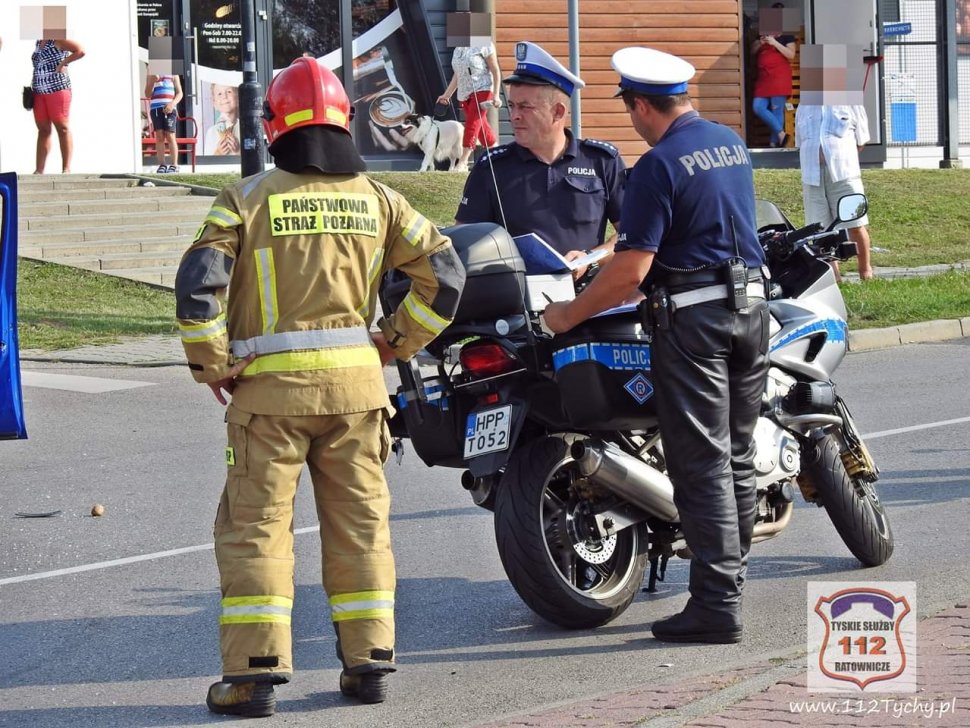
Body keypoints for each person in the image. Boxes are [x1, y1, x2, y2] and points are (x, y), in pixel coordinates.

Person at [175, 57, 465, 717]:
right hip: (358, 397)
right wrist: (395, 341)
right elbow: (445, 276)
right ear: (346, 122)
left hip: (267, 402)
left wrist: (211, 362)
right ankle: (368, 667)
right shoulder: (380, 200)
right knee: (361, 527)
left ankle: (252, 677)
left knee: (257, 531)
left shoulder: (245, 199)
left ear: (274, 124)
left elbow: (199, 287)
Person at [544, 47, 769, 645]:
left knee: (702, 466)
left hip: (696, 327)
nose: (632, 119)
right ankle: (730, 582)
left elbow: (630, 274)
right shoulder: (727, 142)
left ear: (642, 105)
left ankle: (717, 606)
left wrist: (567, 315)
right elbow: (689, 224)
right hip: (750, 311)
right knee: (736, 455)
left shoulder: (657, 165)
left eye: (630, 108)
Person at [455, 41, 625, 274]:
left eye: (525, 107)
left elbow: (630, 234)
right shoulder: (492, 167)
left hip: (587, 301)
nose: (514, 116)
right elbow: (463, 242)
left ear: (558, 112)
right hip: (517, 300)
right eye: (512, 105)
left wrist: (591, 258)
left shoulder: (602, 161)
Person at [795, 103, 874, 279]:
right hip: (812, 175)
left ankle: (865, 272)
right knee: (820, 231)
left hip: (844, 174)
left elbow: (861, 141)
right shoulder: (804, 105)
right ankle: (834, 276)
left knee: (855, 223)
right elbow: (800, 142)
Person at [436, 43, 503, 170]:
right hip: (465, 94)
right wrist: (446, 95)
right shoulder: (458, 49)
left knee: (472, 123)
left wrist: (496, 94)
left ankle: (463, 161)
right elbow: (458, 75)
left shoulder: (485, 44)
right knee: (481, 127)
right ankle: (497, 157)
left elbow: (495, 70)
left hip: (483, 90)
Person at [31, 38, 85, 174]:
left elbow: (80, 50)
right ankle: (39, 170)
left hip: (57, 88)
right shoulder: (38, 42)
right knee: (43, 130)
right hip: (39, 90)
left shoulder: (58, 39)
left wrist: (63, 63)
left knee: (62, 127)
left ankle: (66, 168)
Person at [750, 2, 796, 148]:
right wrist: (760, 42)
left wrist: (774, 42)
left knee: (777, 110)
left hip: (779, 77)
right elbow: (752, 52)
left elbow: (791, 54)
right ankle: (781, 135)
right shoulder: (763, 31)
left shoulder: (787, 34)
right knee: (758, 107)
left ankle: (773, 144)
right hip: (764, 78)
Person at [144, 73, 184, 173]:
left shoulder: (174, 74)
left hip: (170, 109)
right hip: (155, 109)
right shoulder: (152, 74)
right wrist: (152, 81)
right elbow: (147, 94)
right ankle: (162, 164)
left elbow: (180, 93)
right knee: (159, 137)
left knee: (170, 136)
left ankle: (174, 165)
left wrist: (172, 103)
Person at [204, 83, 240, 155]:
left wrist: (238, 150)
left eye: (229, 92)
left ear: (238, 97)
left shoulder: (245, 128)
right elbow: (207, 160)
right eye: (219, 94)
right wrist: (218, 152)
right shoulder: (211, 132)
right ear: (214, 103)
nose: (224, 96)